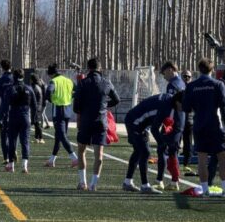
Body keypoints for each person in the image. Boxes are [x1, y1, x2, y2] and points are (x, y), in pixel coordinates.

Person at [183, 58, 225, 197]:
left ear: (199, 69)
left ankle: (205, 189)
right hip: (215, 125)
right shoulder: (218, 84)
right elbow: (224, 108)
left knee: (201, 157)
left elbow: (186, 108)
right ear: (212, 70)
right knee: (223, 156)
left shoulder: (191, 86)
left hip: (199, 125)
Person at [72, 57, 120, 191]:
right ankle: (93, 184)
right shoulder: (106, 82)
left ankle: (83, 183)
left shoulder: (82, 83)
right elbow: (117, 100)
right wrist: (104, 105)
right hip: (101, 121)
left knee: (81, 151)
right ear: (100, 68)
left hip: (86, 121)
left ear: (89, 68)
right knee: (99, 155)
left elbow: (76, 107)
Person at [123, 91, 184, 194]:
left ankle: (127, 182)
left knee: (138, 151)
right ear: (178, 102)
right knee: (145, 152)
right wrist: (161, 143)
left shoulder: (170, 101)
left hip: (140, 122)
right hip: (135, 122)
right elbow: (155, 129)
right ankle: (145, 186)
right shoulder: (166, 106)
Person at [153, 61, 185, 190]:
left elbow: (170, 105)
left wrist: (164, 123)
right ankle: (172, 180)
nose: (163, 76)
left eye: (164, 72)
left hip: (172, 122)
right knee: (173, 150)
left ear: (171, 70)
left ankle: (165, 180)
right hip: (181, 121)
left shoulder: (172, 85)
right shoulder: (182, 83)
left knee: (163, 149)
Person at [1, 69, 36, 173]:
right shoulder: (29, 89)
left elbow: (5, 106)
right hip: (25, 118)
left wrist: (4, 119)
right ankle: (24, 166)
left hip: (13, 117)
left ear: (14, 77)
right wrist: (34, 120)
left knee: (12, 141)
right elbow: (34, 105)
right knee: (25, 142)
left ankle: (11, 165)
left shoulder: (10, 89)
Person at [44, 63, 78, 168]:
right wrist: (70, 96)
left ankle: (74, 158)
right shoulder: (68, 80)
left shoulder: (54, 81)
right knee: (59, 136)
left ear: (51, 74)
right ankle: (52, 160)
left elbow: (48, 91)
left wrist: (51, 99)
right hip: (68, 110)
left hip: (58, 110)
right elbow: (77, 90)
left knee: (62, 136)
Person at [0, 59, 14, 166]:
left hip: (3, 111)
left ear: (2, 68)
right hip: (15, 111)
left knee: (3, 136)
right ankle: (13, 151)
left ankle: (6, 157)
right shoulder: (15, 80)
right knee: (13, 134)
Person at [180, 69, 195, 175]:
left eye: (188, 77)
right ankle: (173, 162)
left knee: (188, 143)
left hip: (189, 120)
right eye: (184, 76)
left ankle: (186, 164)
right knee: (175, 141)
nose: (186, 78)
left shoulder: (193, 89)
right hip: (179, 119)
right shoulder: (178, 87)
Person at [28, 72, 46, 143]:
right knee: (36, 123)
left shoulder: (35, 87)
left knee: (36, 123)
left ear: (32, 80)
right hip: (37, 107)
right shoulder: (37, 86)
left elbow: (32, 98)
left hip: (36, 107)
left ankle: (41, 138)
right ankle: (37, 138)